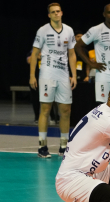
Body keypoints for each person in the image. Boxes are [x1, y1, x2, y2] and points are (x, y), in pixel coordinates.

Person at [29, 3, 77, 158]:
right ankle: (42, 146)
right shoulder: (42, 30)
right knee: (45, 109)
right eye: (53, 12)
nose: (56, 14)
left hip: (63, 75)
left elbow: (71, 54)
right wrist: (32, 76)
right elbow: (35, 53)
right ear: (49, 15)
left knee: (66, 110)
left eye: (58, 11)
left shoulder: (69, 30)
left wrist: (74, 75)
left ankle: (64, 146)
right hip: (47, 75)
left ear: (62, 13)